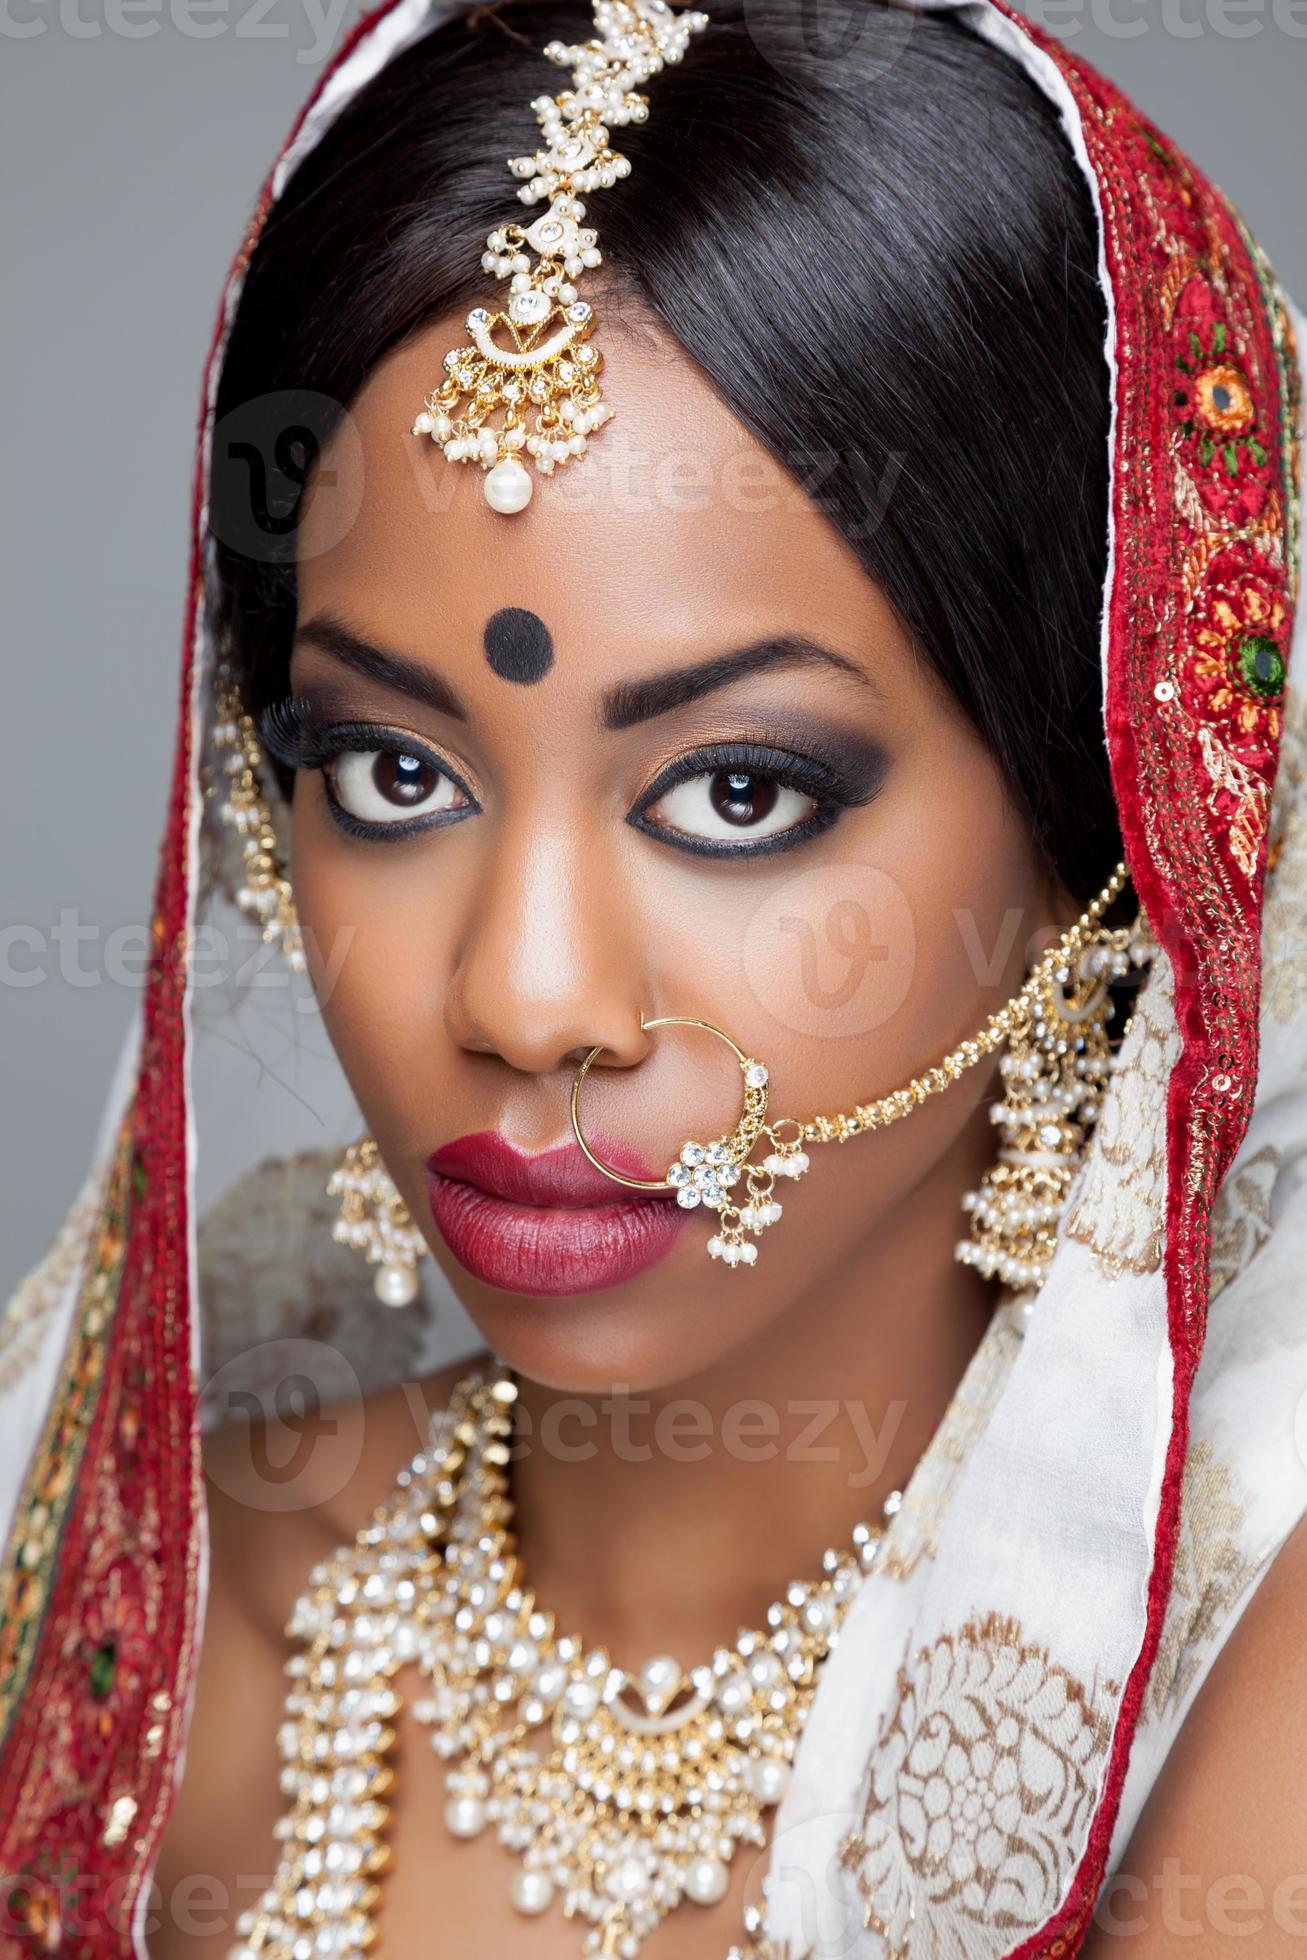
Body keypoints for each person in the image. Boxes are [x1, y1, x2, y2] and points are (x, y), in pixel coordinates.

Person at [1, 0, 1303, 1955]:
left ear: (1107, 833)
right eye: (393, 770)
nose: (525, 1004)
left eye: (740, 788)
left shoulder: (1226, 1702)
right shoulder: (154, 1624)